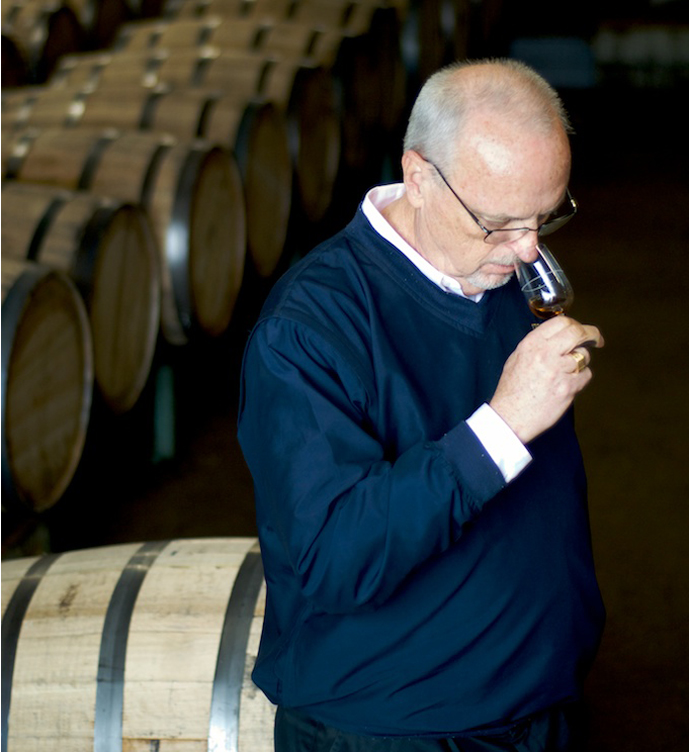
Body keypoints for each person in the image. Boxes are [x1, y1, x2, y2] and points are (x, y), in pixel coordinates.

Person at [237, 58, 606, 751]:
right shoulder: (310, 326)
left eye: (544, 217)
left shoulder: (501, 276)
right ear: (417, 175)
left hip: (538, 706)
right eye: (497, 222)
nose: (526, 249)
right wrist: (501, 425)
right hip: (399, 727)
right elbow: (333, 557)